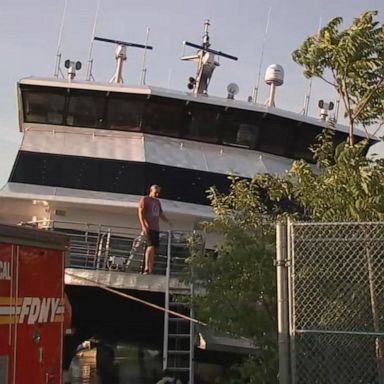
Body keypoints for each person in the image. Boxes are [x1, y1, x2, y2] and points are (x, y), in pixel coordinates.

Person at [138, 184, 171, 274]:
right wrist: (144, 225)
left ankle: (150, 269)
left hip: (156, 228)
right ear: (151, 191)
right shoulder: (145, 199)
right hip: (149, 227)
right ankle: (146, 267)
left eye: (158, 193)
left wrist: (167, 221)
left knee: (153, 248)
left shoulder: (157, 202)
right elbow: (140, 212)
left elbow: (160, 213)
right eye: (156, 192)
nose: (157, 194)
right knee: (150, 246)